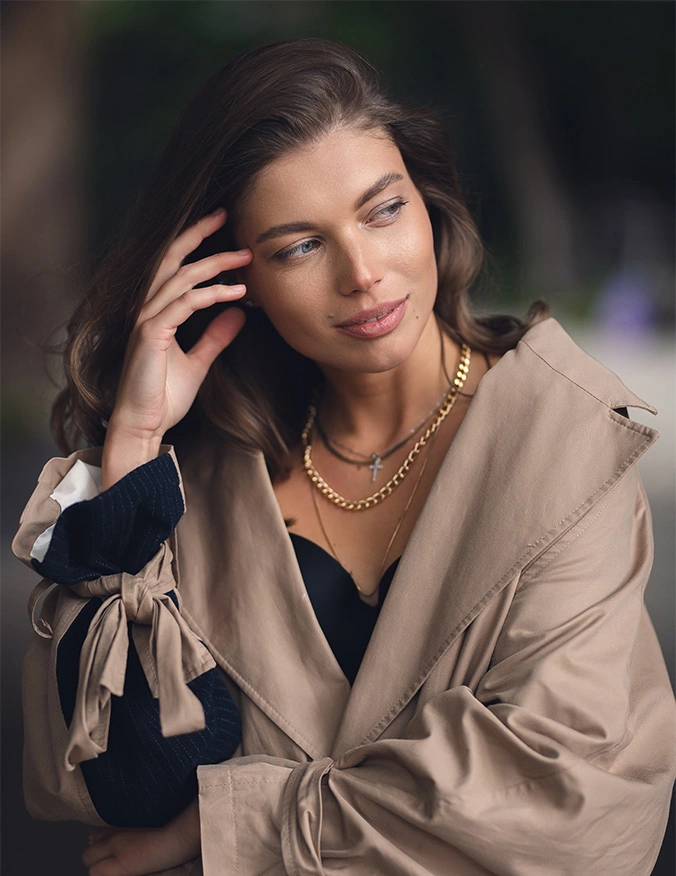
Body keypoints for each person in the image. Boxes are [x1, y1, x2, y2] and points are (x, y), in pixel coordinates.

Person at [12, 38, 675, 876]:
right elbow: (124, 782)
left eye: (383, 210)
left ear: (428, 204)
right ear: (233, 276)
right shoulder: (193, 478)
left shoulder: (566, 442)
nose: (362, 273)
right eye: (299, 247)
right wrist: (137, 442)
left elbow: (564, 806)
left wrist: (229, 824)